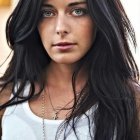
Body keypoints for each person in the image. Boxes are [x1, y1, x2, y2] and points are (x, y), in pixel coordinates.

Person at [0, 0, 140, 139]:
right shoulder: (4, 97)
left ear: (100, 18)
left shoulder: (131, 101)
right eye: (47, 13)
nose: (60, 28)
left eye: (78, 11)